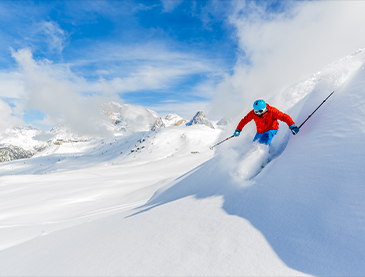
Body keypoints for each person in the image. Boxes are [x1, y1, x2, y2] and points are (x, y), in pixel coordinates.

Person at [233, 99, 300, 145]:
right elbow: (244, 120)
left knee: (263, 144)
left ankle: (263, 162)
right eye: (256, 112)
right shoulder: (252, 113)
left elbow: (284, 117)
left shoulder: (272, 111)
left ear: (265, 109)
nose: (258, 113)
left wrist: (292, 125)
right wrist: (238, 129)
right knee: (254, 145)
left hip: (271, 129)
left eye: (260, 111)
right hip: (259, 131)